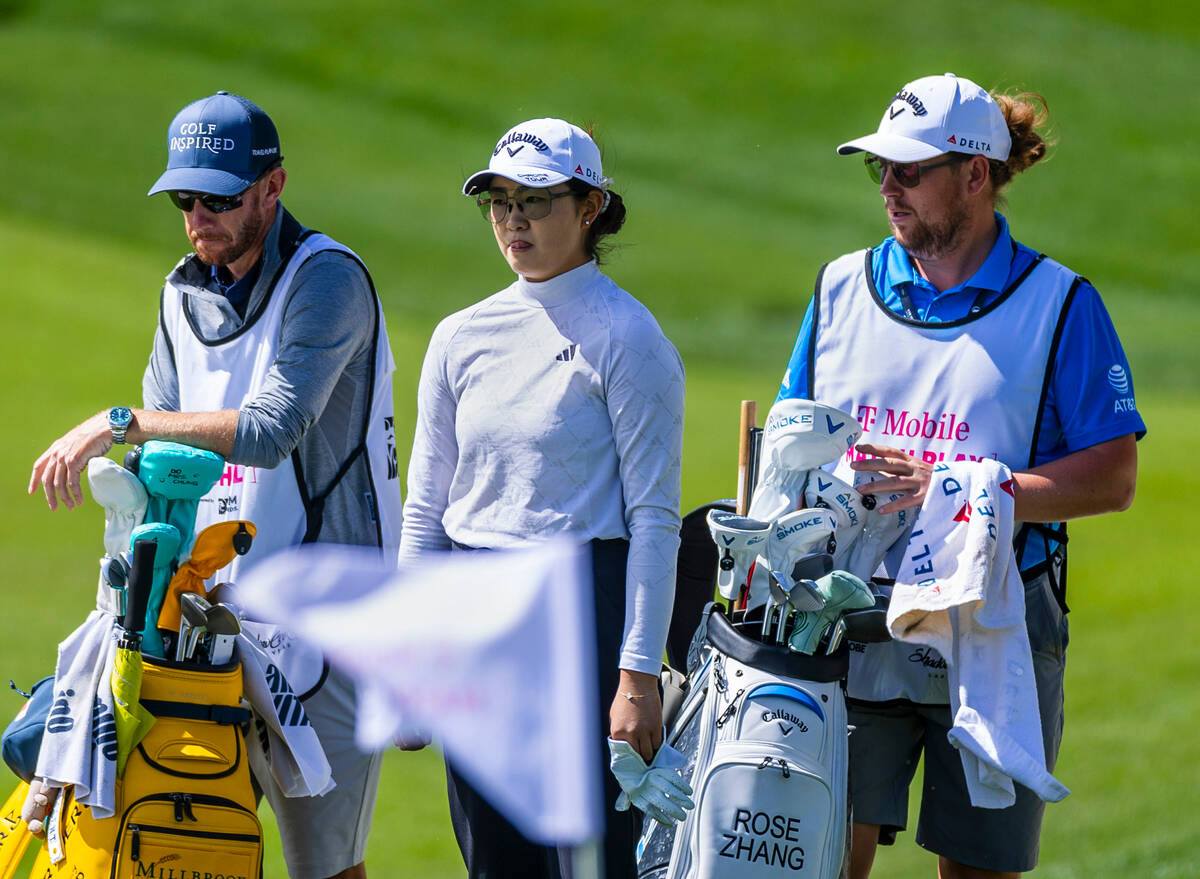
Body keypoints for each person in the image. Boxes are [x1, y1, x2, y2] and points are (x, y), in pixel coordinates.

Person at [775, 73, 1145, 878]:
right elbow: (790, 440)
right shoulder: (839, 288)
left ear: (975, 175)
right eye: (880, 170)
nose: (888, 189)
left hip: (995, 622)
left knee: (979, 869)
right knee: (819, 857)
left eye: (909, 170)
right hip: (851, 613)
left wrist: (971, 488)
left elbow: (1112, 477)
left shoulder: (1060, 302)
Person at [28, 90, 402, 879]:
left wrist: (118, 421)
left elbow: (268, 429)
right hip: (204, 618)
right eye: (185, 200)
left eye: (221, 198)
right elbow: (160, 460)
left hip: (329, 622)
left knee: (326, 871)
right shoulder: (181, 292)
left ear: (273, 188)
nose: (200, 217)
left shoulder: (328, 279)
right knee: (177, 844)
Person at [399, 117, 685, 878]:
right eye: (498, 201)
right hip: (473, 609)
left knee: (588, 860)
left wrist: (637, 675)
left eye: (535, 200)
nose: (513, 219)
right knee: (493, 857)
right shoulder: (461, 335)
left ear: (589, 206)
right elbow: (427, 507)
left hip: (579, 611)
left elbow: (655, 518)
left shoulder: (629, 335)